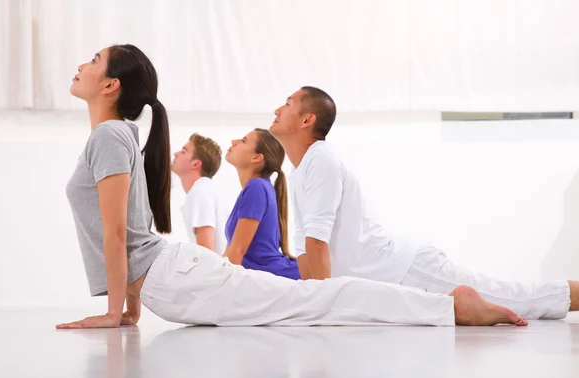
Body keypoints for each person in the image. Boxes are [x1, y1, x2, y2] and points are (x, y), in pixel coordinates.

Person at [56, 44, 528, 330]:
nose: (82, 64)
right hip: (170, 277)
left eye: (93, 59)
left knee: (317, 302)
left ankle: (450, 307)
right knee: (313, 301)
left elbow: (119, 234)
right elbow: (128, 231)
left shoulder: (109, 135)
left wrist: (116, 312)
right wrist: (130, 310)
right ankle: (446, 306)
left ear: (111, 84)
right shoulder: (115, 137)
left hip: (174, 277)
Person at [269, 86, 578, 320]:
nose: (277, 109)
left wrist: (322, 309)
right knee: (515, 299)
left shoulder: (321, 158)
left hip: (409, 270)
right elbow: (307, 252)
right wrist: (313, 307)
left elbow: (318, 242)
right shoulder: (299, 172)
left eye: (288, 104)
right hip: (392, 282)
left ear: (307, 120)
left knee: (523, 299)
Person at [224, 128, 300, 279]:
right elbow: (229, 255)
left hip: (277, 278)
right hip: (268, 279)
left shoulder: (256, 187)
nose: (234, 141)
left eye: (244, 141)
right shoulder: (257, 188)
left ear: (257, 157)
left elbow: (238, 250)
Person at [171, 133, 229, 254]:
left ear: (196, 164)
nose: (175, 154)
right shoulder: (206, 188)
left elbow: (207, 251)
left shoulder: (200, 191)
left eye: (183, 151)